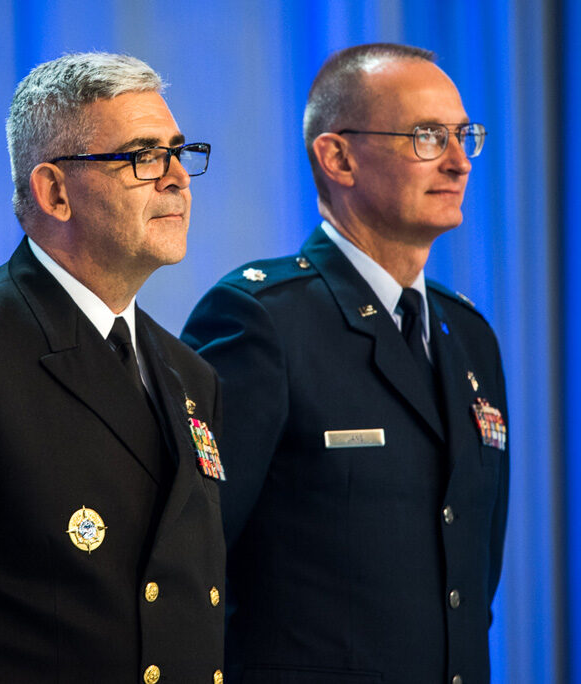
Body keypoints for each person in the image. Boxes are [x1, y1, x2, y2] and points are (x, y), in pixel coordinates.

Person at [0, 52, 225, 683]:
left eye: (180, 151)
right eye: (144, 155)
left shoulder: (188, 373)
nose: (177, 177)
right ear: (54, 191)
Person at [182, 43, 508, 684]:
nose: (459, 161)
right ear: (338, 157)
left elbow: (473, 579)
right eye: (426, 136)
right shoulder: (261, 320)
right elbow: (194, 563)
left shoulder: (468, 334)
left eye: (464, 135)